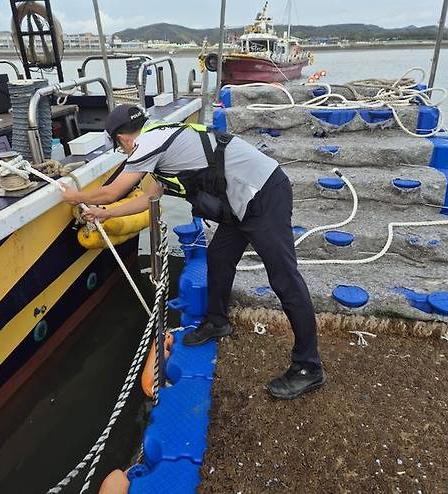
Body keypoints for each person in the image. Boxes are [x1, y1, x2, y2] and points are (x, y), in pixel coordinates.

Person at [60, 104, 325, 399]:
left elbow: (112, 191)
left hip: (264, 194)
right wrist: (105, 214)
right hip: (240, 202)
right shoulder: (160, 143)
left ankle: (308, 367)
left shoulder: (149, 142)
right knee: (219, 258)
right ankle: (217, 321)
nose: (122, 151)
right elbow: (149, 198)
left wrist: (75, 195)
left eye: (118, 145)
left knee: (284, 279)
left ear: (121, 138)